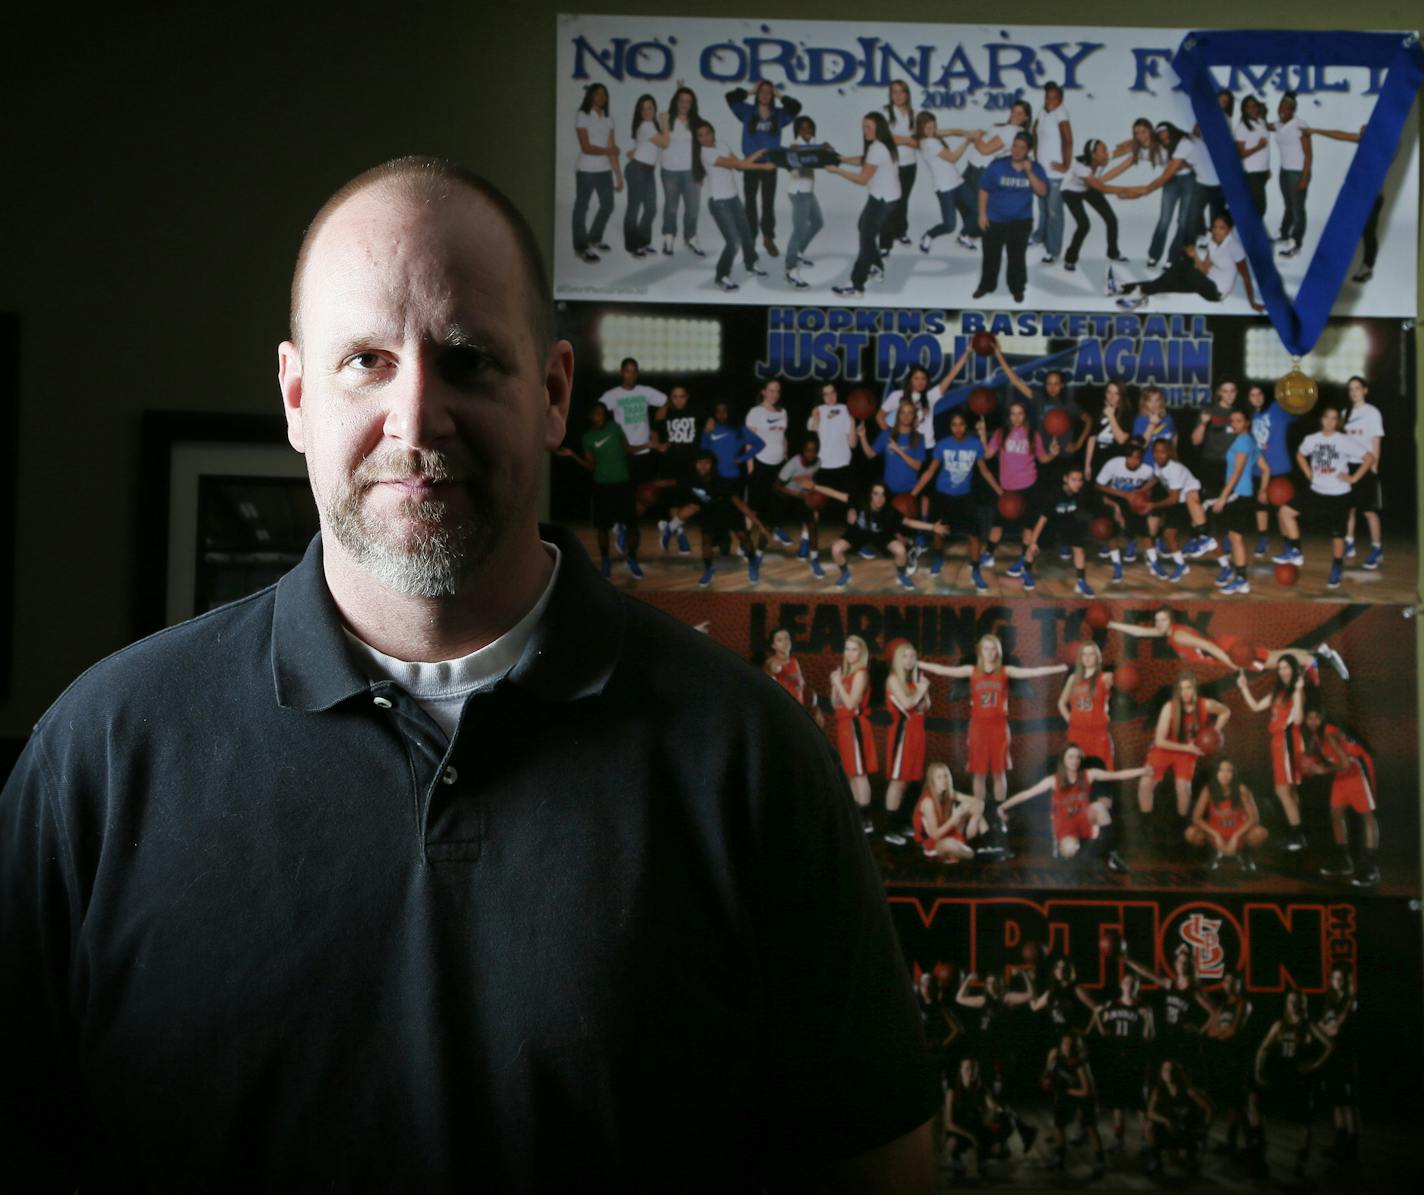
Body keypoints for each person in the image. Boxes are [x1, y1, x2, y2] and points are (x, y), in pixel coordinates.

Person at [0, 158, 937, 1187]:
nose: (416, 419)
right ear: (296, 396)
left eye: (468, 359)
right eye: (365, 360)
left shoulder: (749, 760)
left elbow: (876, 1165)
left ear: (551, 392)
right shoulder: (97, 756)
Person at [920, 635, 1067, 812]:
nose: (990, 653)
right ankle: (978, 810)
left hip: (999, 728)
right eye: (986, 648)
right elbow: (943, 670)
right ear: (980, 651)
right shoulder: (971, 670)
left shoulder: (1005, 671)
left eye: (993, 649)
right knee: (979, 773)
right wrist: (920, 664)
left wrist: (1059, 668)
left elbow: (1033, 672)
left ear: (998, 652)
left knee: (999, 772)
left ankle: (999, 810)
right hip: (978, 728)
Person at [996, 743, 1140, 871]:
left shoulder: (1089, 774)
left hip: (1084, 821)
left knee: (1099, 807)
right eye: (1070, 757)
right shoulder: (1053, 780)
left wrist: (1143, 771)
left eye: (1077, 757)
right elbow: (1026, 794)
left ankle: (1111, 855)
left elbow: (1118, 775)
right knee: (1070, 851)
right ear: (1063, 759)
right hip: (1065, 826)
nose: (1074, 760)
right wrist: (1002, 806)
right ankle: (1065, 847)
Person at [1276, 405, 1375, 588]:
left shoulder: (1345, 441)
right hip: (1316, 490)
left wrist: (1353, 478)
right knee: (1285, 512)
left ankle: (1337, 566)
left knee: (1337, 536)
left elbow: (1369, 458)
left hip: (1339, 494)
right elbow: (1300, 454)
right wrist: (1307, 471)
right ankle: (1296, 550)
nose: (1330, 421)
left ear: (1338, 422)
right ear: (1321, 419)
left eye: (1334, 418)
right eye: (1327, 417)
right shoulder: (1312, 439)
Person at [555, 403, 643, 580]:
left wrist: (648, 444)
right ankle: (605, 561)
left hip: (623, 484)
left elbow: (628, 450)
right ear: (591, 416)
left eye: (602, 413)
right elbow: (590, 466)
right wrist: (572, 455)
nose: (599, 416)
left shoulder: (615, 427)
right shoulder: (588, 438)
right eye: (596, 413)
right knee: (602, 527)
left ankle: (632, 559)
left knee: (633, 525)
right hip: (602, 485)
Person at [1249, 991, 1332, 1178]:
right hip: (1281, 1074)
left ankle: (1302, 1160)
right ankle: (1259, 1153)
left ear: (1304, 1004)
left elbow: (1329, 1045)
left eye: (1298, 1002)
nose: (1294, 1005)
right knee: (1254, 1100)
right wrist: (1258, 1071)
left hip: (1299, 1077)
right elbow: (1263, 1048)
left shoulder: (1309, 1025)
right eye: (1291, 1001)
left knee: (1303, 1121)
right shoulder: (1280, 1024)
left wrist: (1314, 1065)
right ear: (1286, 1004)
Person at [913, 408, 995, 593]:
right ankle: (938, 558)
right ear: (950, 427)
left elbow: (984, 470)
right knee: (938, 532)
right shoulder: (942, 445)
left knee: (974, 535)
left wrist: (1000, 490)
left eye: (961, 424)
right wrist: (913, 492)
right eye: (954, 425)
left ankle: (975, 569)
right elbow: (930, 471)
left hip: (965, 497)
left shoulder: (975, 444)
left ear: (966, 426)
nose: (958, 428)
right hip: (943, 495)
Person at [1113, 213, 1265, 312]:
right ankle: (1121, 288)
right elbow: (1205, 269)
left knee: (1183, 267)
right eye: (1215, 228)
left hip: (1214, 291)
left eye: (1222, 228)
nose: (1217, 231)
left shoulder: (1235, 248)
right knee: (1165, 283)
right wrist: (1195, 256)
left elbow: (1246, 277)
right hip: (1202, 281)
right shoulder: (1212, 243)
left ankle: (1139, 294)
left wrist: (1251, 303)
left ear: (1229, 230)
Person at [1298, 706, 1381, 887]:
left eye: (1316, 717)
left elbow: (1344, 763)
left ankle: (1371, 867)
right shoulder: (1316, 736)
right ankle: (1344, 861)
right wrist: (1307, 763)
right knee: (1336, 814)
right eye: (1309, 718)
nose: (1312, 721)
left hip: (1357, 768)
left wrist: (1322, 770)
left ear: (1323, 718)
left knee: (1367, 817)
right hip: (1343, 773)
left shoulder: (1329, 733)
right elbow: (1311, 755)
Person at [1139, 672, 1230, 833]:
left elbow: (1225, 712)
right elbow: (1159, 740)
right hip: (1165, 747)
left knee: (1183, 788)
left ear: (1194, 689)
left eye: (1188, 688)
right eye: (1181, 689)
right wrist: (1187, 748)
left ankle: (1182, 825)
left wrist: (1213, 733)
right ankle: (1146, 823)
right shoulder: (1170, 707)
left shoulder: (1205, 704)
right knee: (1145, 783)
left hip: (1188, 750)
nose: (1185, 693)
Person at [827, 111, 903, 297]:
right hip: (885, 197)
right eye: (863, 126)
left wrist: (836, 170)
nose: (865, 130)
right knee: (864, 227)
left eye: (868, 127)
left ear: (879, 127)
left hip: (882, 200)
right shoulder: (883, 144)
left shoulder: (877, 147)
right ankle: (876, 266)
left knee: (866, 239)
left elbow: (862, 179)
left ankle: (857, 285)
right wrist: (842, 158)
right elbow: (866, 161)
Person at [819, 480, 946, 591]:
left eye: (883, 495)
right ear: (870, 495)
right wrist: (814, 487)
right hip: (859, 532)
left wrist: (932, 527)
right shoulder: (860, 500)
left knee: (900, 550)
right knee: (836, 548)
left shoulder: (889, 510)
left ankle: (901, 575)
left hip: (880, 534)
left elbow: (909, 522)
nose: (880, 498)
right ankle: (845, 573)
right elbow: (834, 493)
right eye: (876, 494)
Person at [723, 79, 801, 257]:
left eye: (768, 92)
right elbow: (730, 97)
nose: (765, 95)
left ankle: (768, 237)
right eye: (762, 91)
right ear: (757, 94)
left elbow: (796, 107)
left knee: (768, 202)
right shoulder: (747, 111)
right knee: (750, 203)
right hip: (751, 163)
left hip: (770, 165)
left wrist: (779, 94)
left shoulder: (778, 115)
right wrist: (750, 91)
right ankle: (750, 236)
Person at [1236, 657, 1308, 849]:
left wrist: (1299, 692)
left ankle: (1297, 835)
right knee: (1290, 791)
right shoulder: (1279, 692)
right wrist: (1244, 687)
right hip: (1279, 743)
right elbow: (1256, 706)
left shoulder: (1295, 691)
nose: (1284, 671)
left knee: (1283, 789)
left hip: (1288, 741)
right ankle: (1297, 834)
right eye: (1280, 668)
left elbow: (1299, 720)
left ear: (1294, 669)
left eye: (1287, 667)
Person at [695, 120, 773, 292]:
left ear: (713, 132)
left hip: (734, 199)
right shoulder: (706, 154)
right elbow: (738, 165)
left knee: (746, 234)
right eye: (701, 135)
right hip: (719, 202)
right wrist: (763, 165)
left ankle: (751, 264)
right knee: (734, 241)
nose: (705, 137)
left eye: (707, 132)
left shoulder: (723, 144)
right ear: (698, 139)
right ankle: (721, 276)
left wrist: (757, 154)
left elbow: (740, 166)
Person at [1082, 973, 1155, 1154]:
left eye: (1133, 982)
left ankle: (1146, 1140)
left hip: (1136, 1061)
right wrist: (1098, 1016)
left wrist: (1148, 1019)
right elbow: (1104, 1033)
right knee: (1118, 1104)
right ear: (1121, 984)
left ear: (1138, 986)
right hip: (1116, 1060)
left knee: (1140, 1105)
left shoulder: (1144, 1007)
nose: (1129, 985)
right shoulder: (1112, 1005)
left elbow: (1148, 1036)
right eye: (1127, 981)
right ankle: (1118, 1140)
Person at [974, 131, 1048, 303]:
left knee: (1017, 258)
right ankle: (986, 286)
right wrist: (982, 215)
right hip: (994, 219)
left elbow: (1042, 192)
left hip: (1020, 221)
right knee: (990, 256)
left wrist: (1029, 172)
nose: (1017, 150)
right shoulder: (997, 165)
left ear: (1028, 150)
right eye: (1015, 145)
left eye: (1022, 147)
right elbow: (984, 189)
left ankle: (1017, 288)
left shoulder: (1036, 168)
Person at [1302, 124, 1382, 282]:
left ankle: (1367, 267)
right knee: (1344, 230)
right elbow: (1340, 134)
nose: (1361, 128)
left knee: (1368, 233)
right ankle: (1330, 270)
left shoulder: (1381, 147)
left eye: (1366, 128)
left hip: (1372, 197)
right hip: (1356, 196)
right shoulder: (1364, 142)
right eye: (1361, 128)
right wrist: (1317, 130)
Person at [1210, 404, 1271, 594]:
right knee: (1234, 537)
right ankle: (1238, 576)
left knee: (1235, 538)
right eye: (1233, 420)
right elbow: (1266, 469)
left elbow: (1236, 472)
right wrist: (1262, 490)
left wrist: (1222, 497)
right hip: (1242, 495)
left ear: (1247, 422)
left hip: (1238, 495)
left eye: (1238, 420)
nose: (1234, 424)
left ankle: (1241, 580)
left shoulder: (1244, 441)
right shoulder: (1248, 440)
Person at [883, 640, 932, 845]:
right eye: (905, 656)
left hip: (917, 733)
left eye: (912, 656)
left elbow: (925, 706)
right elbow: (907, 703)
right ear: (897, 659)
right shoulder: (893, 679)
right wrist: (922, 690)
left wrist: (923, 690)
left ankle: (903, 822)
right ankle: (890, 828)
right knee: (898, 781)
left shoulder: (914, 680)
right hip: (902, 734)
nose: (909, 660)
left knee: (912, 780)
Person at [1060, 138, 1134, 272]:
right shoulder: (1080, 167)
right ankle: (1070, 259)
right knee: (1084, 225)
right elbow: (1102, 188)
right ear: (1093, 155)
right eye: (1103, 151)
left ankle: (1113, 253)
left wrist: (1135, 145)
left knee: (1111, 219)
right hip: (1071, 192)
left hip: (1088, 188)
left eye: (1106, 149)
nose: (1107, 153)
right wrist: (1127, 190)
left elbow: (1121, 151)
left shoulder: (1102, 158)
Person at [1185, 756, 1269, 870]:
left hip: (1238, 830)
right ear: (1215, 772)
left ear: (1234, 773)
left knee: (1260, 832)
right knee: (1191, 832)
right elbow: (1196, 817)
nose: (1224, 774)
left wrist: (1235, 836)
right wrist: (1216, 835)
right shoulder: (1208, 789)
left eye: (1229, 771)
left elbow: (1254, 818)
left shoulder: (1241, 789)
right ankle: (1213, 855)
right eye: (1221, 770)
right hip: (1216, 831)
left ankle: (1245, 855)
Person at [1042, 1031, 1105, 1177]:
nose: (1067, 1047)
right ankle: (1059, 1156)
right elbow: (1048, 1077)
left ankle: (1099, 1160)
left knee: (1091, 1127)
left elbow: (1086, 1091)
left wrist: (1066, 1091)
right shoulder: (1056, 1058)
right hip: (1066, 1094)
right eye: (1064, 1044)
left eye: (1070, 1044)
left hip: (1081, 1096)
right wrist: (1047, 1082)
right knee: (1059, 1124)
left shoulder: (1079, 1065)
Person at [1094, 437, 1156, 583]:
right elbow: (1098, 485)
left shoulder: (1147, 469)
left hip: (1134, 500)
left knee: (1144, 529)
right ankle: (1117, 564)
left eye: (1138, 458)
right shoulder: (1113, 464)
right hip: (1114, 497)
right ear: (1125, 457)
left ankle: (1154, 562)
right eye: (1131, 458)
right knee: (1110, 528)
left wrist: (1142, 493)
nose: (1134, 461)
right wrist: (1121, 498)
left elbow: (1155, 480)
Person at [831, 634, 878, 822]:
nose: (850, 653)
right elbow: (836, 703)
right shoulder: (847, 673)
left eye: (854, 649)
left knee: (859, 774)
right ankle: (854, 815)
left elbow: (850, 704)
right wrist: (836, 684)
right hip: (843, 725)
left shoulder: (861, 673)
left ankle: (865, 818)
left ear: (861, 652)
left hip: (855, 724)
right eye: (847, 648)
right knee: (850, 772)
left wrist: (837, 682)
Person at [573, 83, 623, 262]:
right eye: (597, 93)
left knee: (608, 205)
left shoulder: (608, 119)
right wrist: (609, 151)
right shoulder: (582, 116)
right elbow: (586, 147)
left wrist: (618, 175)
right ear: (590, 96)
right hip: (586, 169)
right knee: (582, 207)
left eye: (604, 94)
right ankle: (580, 247)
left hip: (604, 170)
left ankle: (594, 238)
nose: (601, 97)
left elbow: (611, 147)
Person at [913, 111, 974, 254]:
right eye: (927, 127)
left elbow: (952, 131)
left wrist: (967, 133)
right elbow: (952, 158)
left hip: (958, 182)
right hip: (945, 188)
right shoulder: (928, 142)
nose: (931, 130)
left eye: (933, 126)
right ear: (920, 127)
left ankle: (964, 235)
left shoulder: (933, 135)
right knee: (949, 225)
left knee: (978, 210)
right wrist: (967, 141)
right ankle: (929, 235)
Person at [1342, 375, 1385, 569]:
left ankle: (1377, 549)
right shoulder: (1345, 413)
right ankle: (1349, 544)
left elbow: (1376, 441)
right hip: (1348, 466)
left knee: (1369, 511)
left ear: (1365, 390)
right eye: (1351, 389)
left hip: (1365, 465)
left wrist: (1374, 466)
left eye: (1357, 388)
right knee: (1348, 508)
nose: (1354, 392)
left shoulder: (1372, 413)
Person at [743, 378, 791, 547]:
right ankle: (745, 541)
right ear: (763, 391)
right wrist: (750, 467)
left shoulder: (783, 412)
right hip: (760, 463)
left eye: (777, 391)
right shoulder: (755, 412)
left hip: (778, 465)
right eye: (771, 390)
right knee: (753, 506)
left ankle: (776, 528)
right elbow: (748, 441)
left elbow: (783, 437)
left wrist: (785, 456)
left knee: (777, 502)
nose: (775, 394)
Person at [1145, 1060, 1212, 1177]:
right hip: (1167, 1126)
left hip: (1186, 1127)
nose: (1168, 1074)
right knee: (1149, 1126)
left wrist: (1205, 1127)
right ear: (1161, 1073)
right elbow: (1150, 1112)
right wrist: (1165, 1120)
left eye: (1171, 1071)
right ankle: (1155, 1161)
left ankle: (1191, 1158)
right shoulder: (1159, 1090)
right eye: (1165, 1070)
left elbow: (1208, 1108)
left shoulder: (1188, 1091)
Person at [658, 84, 704, 257]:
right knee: (671, 207)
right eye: (681, 100)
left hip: (691, 172)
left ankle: (690, 237)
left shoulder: (697, 123)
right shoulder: (665, 118)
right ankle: (668, 237)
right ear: (676, 101)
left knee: (693, 208)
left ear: (692, 104)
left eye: (688, 101)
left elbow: (702, 149)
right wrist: (679, 88)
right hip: (669, 171)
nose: (685, 104)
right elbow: (663, 141)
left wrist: (701, 173)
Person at [774, 433, 828, 578]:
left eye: (814, 450)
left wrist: (811, 494)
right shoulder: (793, 464)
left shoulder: (818, 463)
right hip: (785, 495)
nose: (811, 454)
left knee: (813, 524)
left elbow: (810, 481)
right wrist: (797, 494)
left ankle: (814, 559)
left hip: (802, 496)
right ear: (802, 450)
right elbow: (777, 486)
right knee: (774, 514)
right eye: (808, 450)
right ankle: (775, 528)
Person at [1030, 81, 1073, 265]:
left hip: (1054, 174)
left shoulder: (1061, 113)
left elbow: (1068, 140)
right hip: (1040, 170)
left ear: (1060, 99)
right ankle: (1039, 236)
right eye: (1047, 96)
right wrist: (1035, 154)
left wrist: (1066, 164)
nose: (1050, 100)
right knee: (1042, 207)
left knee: (1054, 212)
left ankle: (1053, 250)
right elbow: (1034, 131)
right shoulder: (1043, 111)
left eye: (1054, 97)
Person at [783, 114, 827, 286]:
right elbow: (794, 171)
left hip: (808, 192)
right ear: (797, 131)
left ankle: (798, 252)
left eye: (809, 127)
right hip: (799, 192)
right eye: (803, 128)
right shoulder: (794, 146)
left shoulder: (811, 144)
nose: (807, 130)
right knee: (799, 230)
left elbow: (820, 158)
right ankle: (790, 269)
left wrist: (824, 150)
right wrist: (799, 155)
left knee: (817, 222)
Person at [1058, 641, 1117, 767]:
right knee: (1077, 770)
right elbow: (1061, 703)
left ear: (1098, 657)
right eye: (1084, 654)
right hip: (1077, 732)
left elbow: (1122, 683)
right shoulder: (1073, 678)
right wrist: (1070, 719)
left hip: (1098, 733)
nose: (1088, 658)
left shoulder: (1105, 677)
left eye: (1091, 654)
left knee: (1101, 769)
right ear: (1080, 657)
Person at [913, 762, 981, 862]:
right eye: (939, 777)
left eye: (946, 776)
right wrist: (954, 818)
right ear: (932, 781)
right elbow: (935, 835)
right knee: (951, 844)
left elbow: (978, 802)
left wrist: (974, 819)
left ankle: (985, 843)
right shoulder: (928, 802)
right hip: (931, 844)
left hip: (947, 834)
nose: (944, 780)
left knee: (969, 807)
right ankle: (975, 855)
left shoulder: (947, 793)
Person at [881, 79, 920, 250]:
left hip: (910, 164)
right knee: (891, 202)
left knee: (903, 200)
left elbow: (918, 141)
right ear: (890, 95)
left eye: (901, 91)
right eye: (894, 92)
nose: (898, 95)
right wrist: (907, 140)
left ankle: (900, 231)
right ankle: (885, 243)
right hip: (891, 164)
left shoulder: (914, 113)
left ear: (907, 94)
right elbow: (885, 137)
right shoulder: (884, 112)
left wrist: (905, 140)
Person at [1273, 92, 1312, 257]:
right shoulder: (1278, 125)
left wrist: (1304, 176)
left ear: (1293, 109)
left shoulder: (1300, 125)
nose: (1283, 110)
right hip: (1284, 171)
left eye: (1287, 107)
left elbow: (1309, 154)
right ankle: (1284, 234)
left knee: (1297, 208)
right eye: (1281, 106)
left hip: (1298, 172)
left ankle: (1296, 243)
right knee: (1288, 204)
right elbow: (1267, 126)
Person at [1235, 94, 1272, 216]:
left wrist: (1267, 168)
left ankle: (1253, 233)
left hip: (1262, 171)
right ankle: (1253, 234)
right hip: (1251, 172)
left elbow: (1266, 148)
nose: (1252, 108)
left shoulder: (1261, 121)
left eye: (1254, 105)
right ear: (1244, 110)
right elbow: (1240, 154)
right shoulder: (1242, 127)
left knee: (1256, 206)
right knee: (1260, 207)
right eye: (1248, 106)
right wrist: (1258, 147)